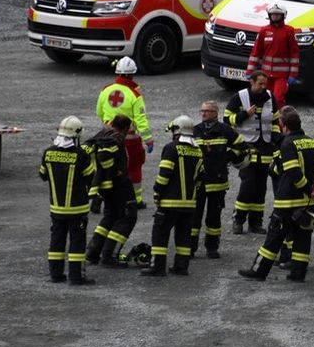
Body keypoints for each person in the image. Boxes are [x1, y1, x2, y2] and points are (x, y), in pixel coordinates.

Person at [238, 107, 314, 283]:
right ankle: (298, 274)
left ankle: (259, 271)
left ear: (284, 125)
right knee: (302, 239)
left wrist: (307, 189)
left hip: (288, 202)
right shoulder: (312, 142)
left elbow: (293, 171)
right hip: (308, 203)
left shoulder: (287, 144)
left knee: (273, 238)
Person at [142, 115, 204, 277]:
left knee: (160, 234)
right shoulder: (197, 150)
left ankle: (157, 267)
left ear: (176, 130)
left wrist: (157, 191)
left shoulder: (171, 148)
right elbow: (200, 178)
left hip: (169, 202)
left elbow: (165, 174)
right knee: (183, 236)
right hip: (189, 204)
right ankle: (181, 266)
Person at [39, 115, 97, 285]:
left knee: (56, 241)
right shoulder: (81, 155)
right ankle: (76, 276)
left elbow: (43, 175)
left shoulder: (48, 152)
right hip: (77, 209)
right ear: (77, 134)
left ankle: (56, 275)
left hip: (56, 208)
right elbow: (90, 177)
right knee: (77, 243)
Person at [94, 55, 153, 212]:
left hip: (107, 137)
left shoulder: (106, 90)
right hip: (130, 141)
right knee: (134, 168)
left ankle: (104, 199)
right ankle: (136, 200)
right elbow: (141, 120)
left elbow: (99, 112)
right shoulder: (135, 94)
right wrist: (148, 140)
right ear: (132, 74)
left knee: (107, 168)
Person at [225, 71, 281, 234]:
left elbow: (275, 121)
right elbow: (227, 119)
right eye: (260, 84)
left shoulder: (270, 97)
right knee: (248, 184)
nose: (263, 87)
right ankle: (238, 219)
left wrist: (276, 138)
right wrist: (244, 114)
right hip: (247, 148)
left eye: (265, 84)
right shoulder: (240, 97)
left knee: (260, 187)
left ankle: (256, 222)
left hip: (265, 149)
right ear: (252, 82)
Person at [191, 101, 246, 259]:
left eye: (207, 111)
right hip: (198, 182)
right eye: (202, 111)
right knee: (194, 218)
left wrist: (227, 157)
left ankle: (212, 247)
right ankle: (190, 248)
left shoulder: (225, 130)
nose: (203, 113)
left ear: (215, 113)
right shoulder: (195, 130)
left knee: (213, 218)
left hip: (217, 182)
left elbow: (241, 146)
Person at [85, 113, 137, 268]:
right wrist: (114, 171)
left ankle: (93, 252)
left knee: (110, 216)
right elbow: (104, 154)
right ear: (125, 128)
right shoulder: (115, 137)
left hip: (105, 186)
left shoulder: (103, 133)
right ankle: (109, 255)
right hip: (118, 185)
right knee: (128, 217)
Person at [246, 2, 299, 106]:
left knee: (278, 99)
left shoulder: (289, 31)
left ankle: (280, 116)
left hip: (281, 75)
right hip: (265, 75)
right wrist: (250, 71)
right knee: (264, 100)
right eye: (273, 14)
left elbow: (294, 54)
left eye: (277, 14)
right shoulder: (264, 31)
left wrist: (293, 74)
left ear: (283, 15)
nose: (275, 16)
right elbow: (256, 52)